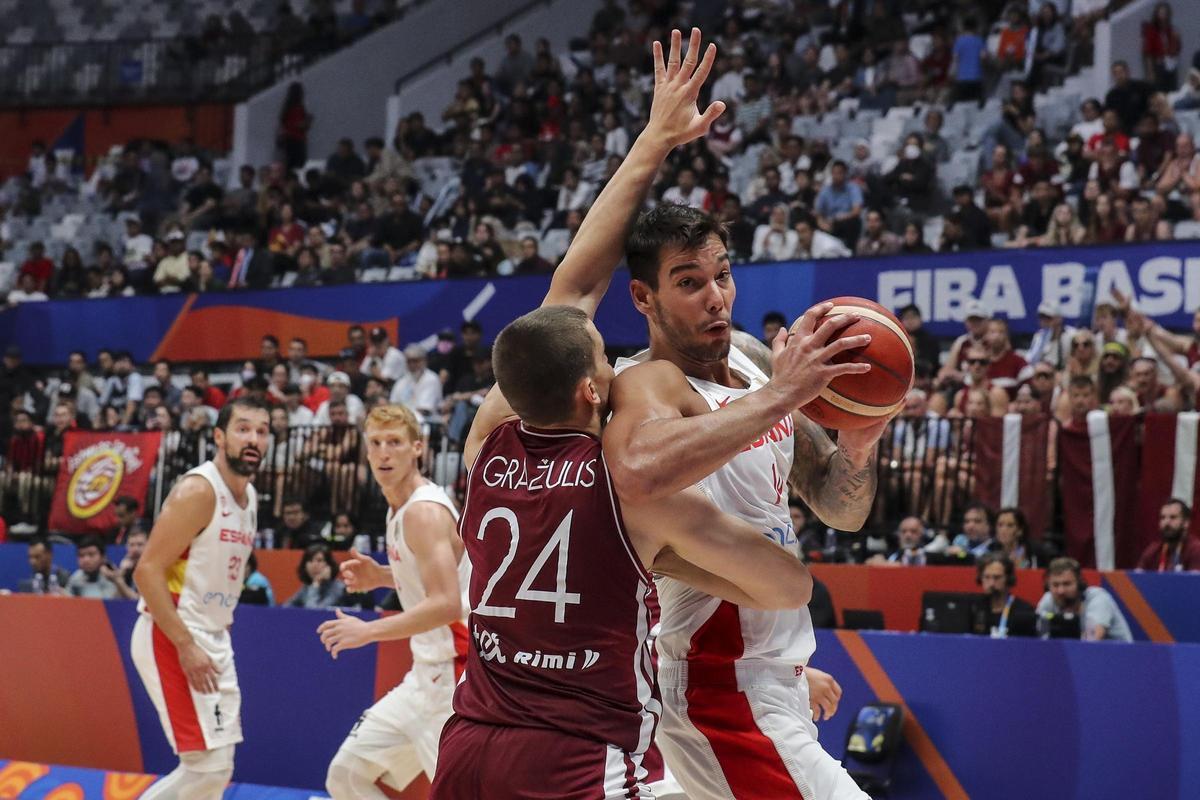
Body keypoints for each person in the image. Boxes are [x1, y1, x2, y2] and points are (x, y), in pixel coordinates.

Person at [431, 29, 812, 800]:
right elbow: (784, 587)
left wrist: (654, 138)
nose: (616, 367)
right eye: (606, 364)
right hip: (578, 759)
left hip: (468, 741)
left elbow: (569, 295)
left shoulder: (485, 443)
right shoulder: (630, 494)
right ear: (589, 393)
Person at [319, 404, 468, 799]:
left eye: (395, 442)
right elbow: (445, 570)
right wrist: (382, 576)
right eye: (376, 443)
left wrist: (367, 630)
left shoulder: (424, 512)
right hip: (423, 677)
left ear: (417, 448)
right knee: (346, 775)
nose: (385, 452)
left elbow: (447, 603)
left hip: (457, 677)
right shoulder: (398, 508)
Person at [131, 397, 269, 799]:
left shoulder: (251, 497)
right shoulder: (199, 489)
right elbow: (147, 571)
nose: (253, 439)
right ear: (219, 436)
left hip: (211, 637)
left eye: (261, 431)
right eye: (243, 428)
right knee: (206, 768)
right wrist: (186, 644)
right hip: (173, 633)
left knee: (217, 767)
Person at [1036, 557, 1133, 642]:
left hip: (1119, 657)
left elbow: (1092, 639)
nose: (1061, 591)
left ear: (1080, 584)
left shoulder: (1098, 598)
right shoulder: (1049, 599)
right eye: (1055, 585)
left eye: (1067, 584)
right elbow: (1039, 635)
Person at [971, 554, 1036, 638]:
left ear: (1008, 578)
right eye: (987, 577)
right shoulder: (973, 608)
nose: (991, 583)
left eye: (997, 577)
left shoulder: (1025, 611)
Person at [1136, 498, 1200, 572]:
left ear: (1186, 523)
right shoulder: (1153, 550)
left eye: (1173, 517)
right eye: (1163, 518)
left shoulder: (1195, 550)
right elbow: (1136, 578)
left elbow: (1194, 582)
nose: (1167, 522)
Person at [285, 543, 351, 608]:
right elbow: (285, 609)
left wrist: (316, 584)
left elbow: (314, 613)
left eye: (319, 560)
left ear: (329, 565)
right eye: (310, 561)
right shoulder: (307, 586)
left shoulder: (338, 588)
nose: (314, 565)